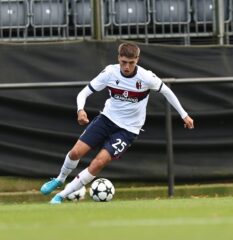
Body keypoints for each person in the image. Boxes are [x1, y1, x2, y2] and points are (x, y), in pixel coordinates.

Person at [40, 42, 194, 204]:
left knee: (99, 162)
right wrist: (80, 110)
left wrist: (184, 114)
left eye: (131, 63)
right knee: (75, 153)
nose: (127, 67)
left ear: (137, 60)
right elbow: (83, 93)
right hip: (106, 119)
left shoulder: (146, 77)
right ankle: (59, 179)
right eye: (123, 62)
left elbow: (167, 91)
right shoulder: (110, 73)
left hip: (128, 130)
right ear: (118, 58)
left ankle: (61, 195)